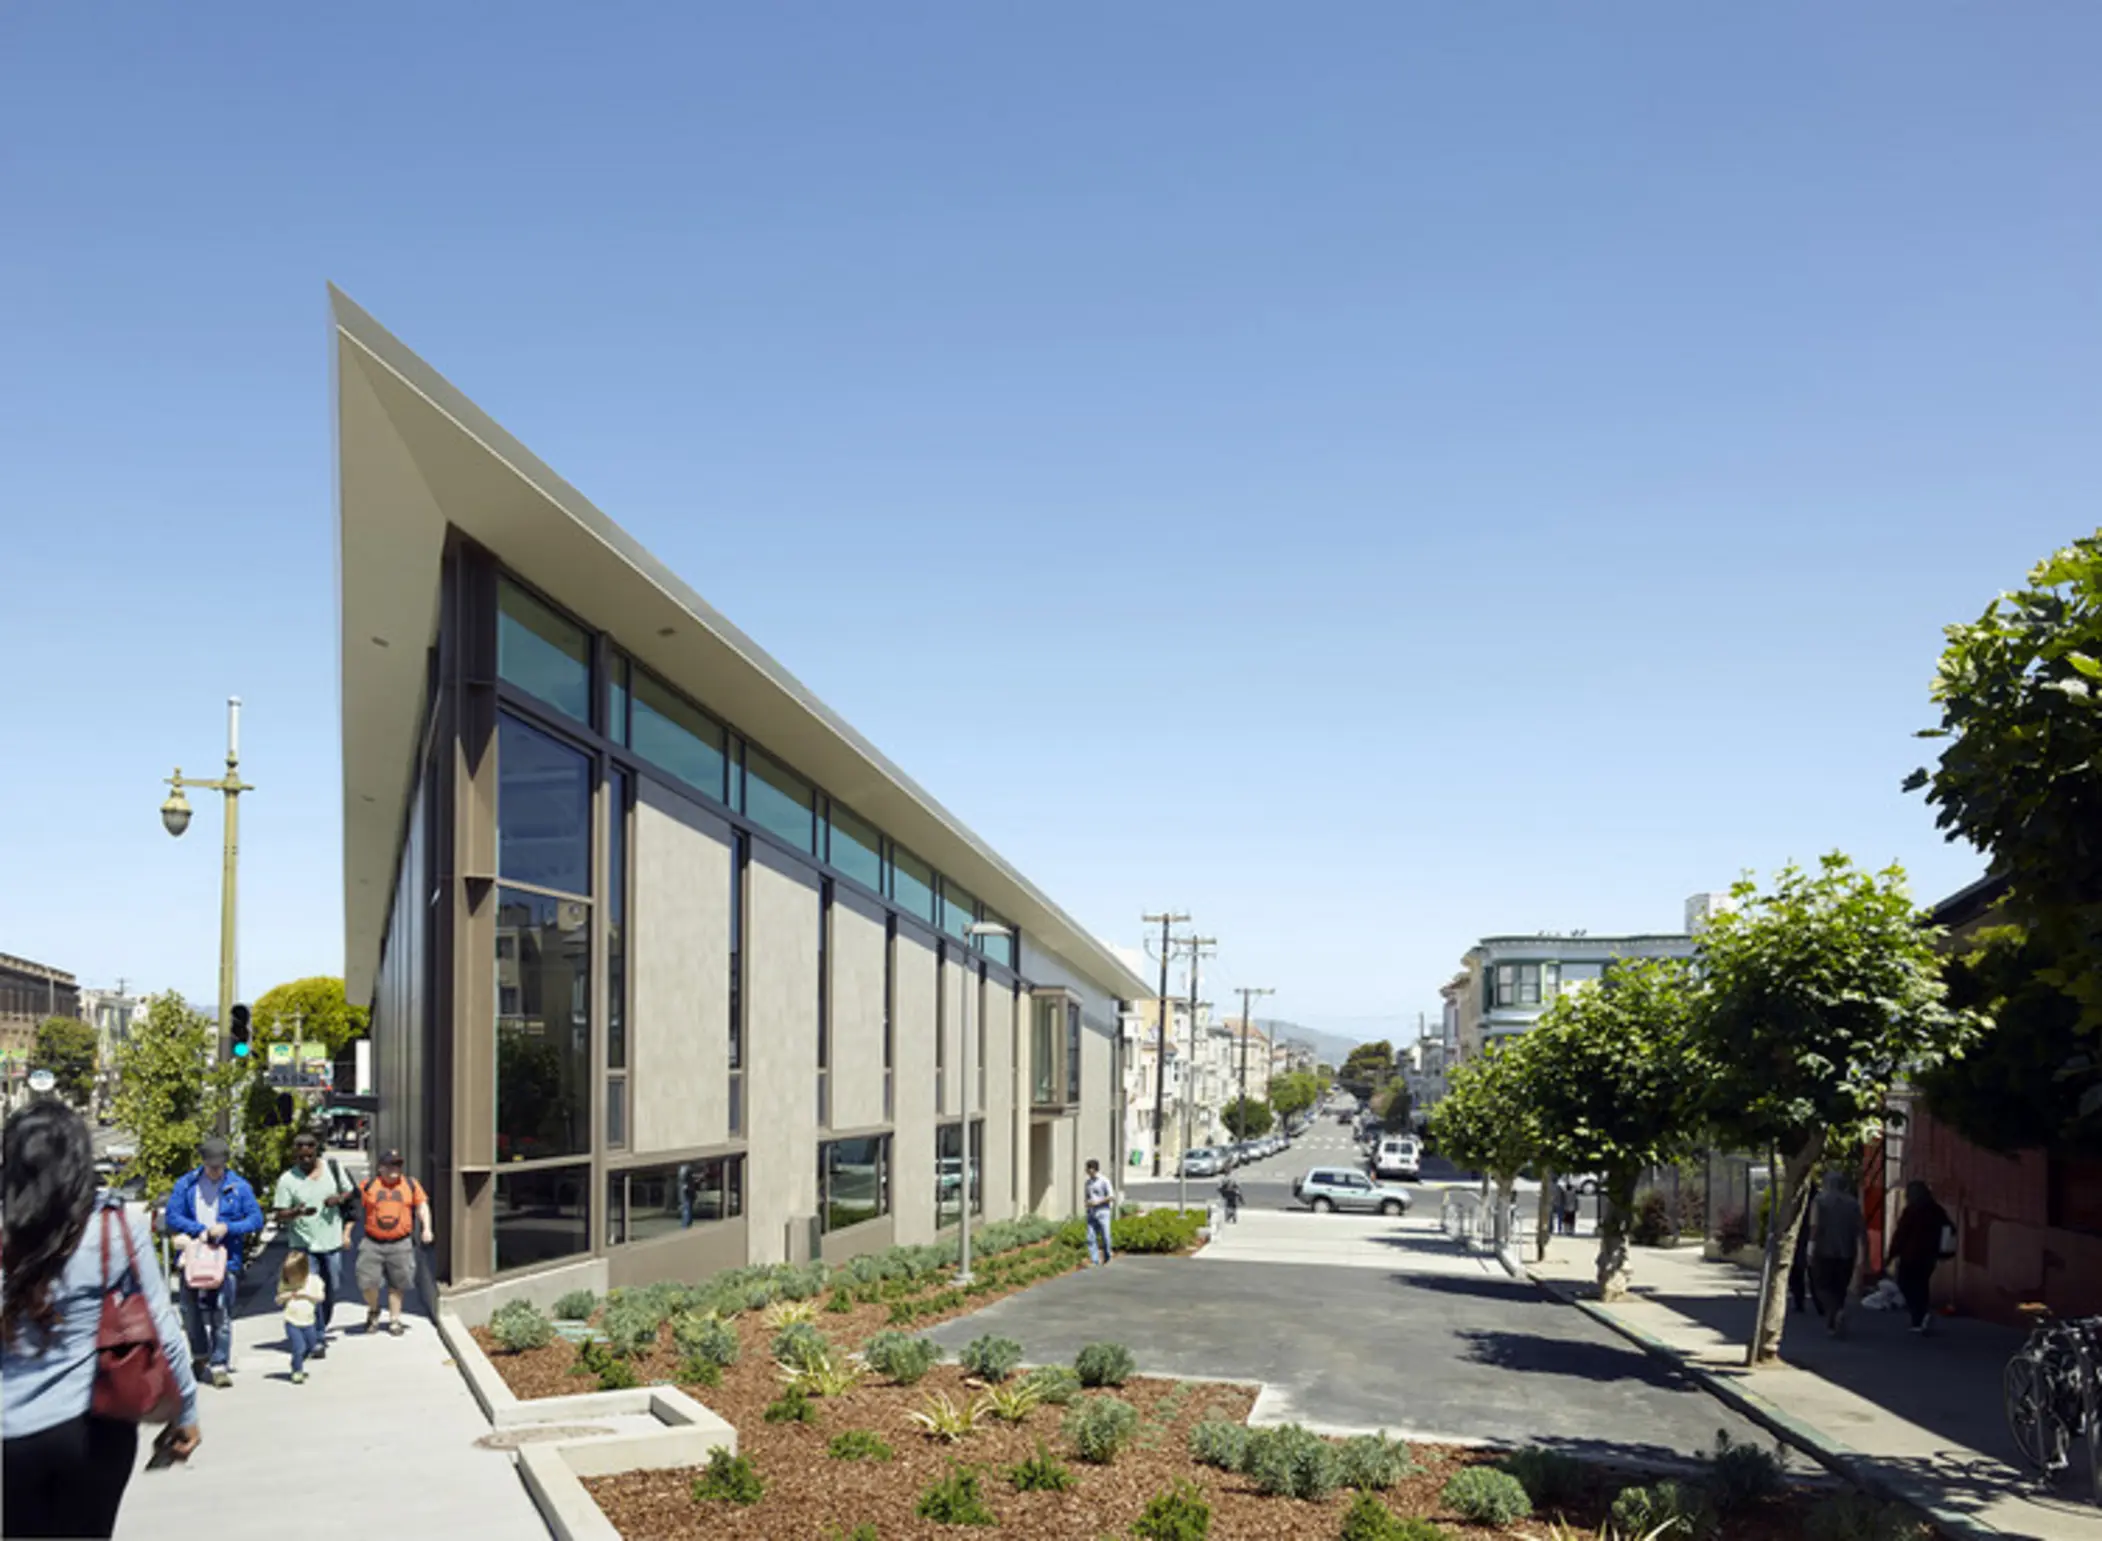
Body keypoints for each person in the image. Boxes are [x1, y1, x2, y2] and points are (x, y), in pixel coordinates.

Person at [3, 1101, 201, 1538]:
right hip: (94, 1427)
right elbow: (162, 1325)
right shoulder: (116, 1226)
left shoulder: (7, 1235)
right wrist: (184, 1409)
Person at [162, 1134, 265, 1388]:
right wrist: (199, 1230)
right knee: (189, 1309)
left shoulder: (238, 1187)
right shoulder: (186, 1185)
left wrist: (227, 1228)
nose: (216, 1171)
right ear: (203, 1163)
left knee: (222, 1314)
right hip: (193, 1258)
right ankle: (200, 1355)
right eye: (211, 1167)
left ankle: (219, 1364)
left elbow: (255, 1219)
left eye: (220, 1167)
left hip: (225, 1260)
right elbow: (172, 1215)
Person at [271, 1130, 358, 1353]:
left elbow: (350, 1192)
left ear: (316, 1151)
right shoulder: (288, 1180)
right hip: (303, 1244)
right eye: (300, 1158)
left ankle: (322, 1323)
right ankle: (318, 1336)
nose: (305, 1161)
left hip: (331, 1241)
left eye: (309, 1156)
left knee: (332, 1286)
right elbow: (278, 1214)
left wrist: (336, 1199)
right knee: (312, 1289)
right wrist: (295, 1213)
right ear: (294, 1156)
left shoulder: (332, 1169)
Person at [356, 1149, 433, 1336]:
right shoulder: (369, 1186)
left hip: (400, 1243)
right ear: (380, 1167)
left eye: (398, 1164)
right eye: (390, 1164)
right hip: (372, 1242)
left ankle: (394, 1319)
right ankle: (373, 1310)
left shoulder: (410, 1184)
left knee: (398, 1283)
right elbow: (351, 1206)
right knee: (367, 1282)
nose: (395, 1169)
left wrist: (427, 1228)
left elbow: (422, 1206)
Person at [1887, 1179, 1953, 1334]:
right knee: (1921, 1285)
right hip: (1929, 1255)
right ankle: (1922, 1315)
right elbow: (1949, 1229)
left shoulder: (1911, 1211)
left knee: (1905, 1283)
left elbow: (1900, 1235)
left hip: (1910, 1255)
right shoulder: (1936, 1210)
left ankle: (1918, 1316)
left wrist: (1891, 1254)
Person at [1807, 1171, 1866, 1336]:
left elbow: (1814, 1226)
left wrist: (1810, 1249)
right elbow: (1861, 1230)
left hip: (1823, 1250)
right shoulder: (1853, 1203)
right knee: (1840, 1287)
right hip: (1847, 1251)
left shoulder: (1820, 1201)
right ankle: (1833, 1322)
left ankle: (1834, 1312)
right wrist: (1863, 1255)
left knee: (1821, 1286)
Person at [276, 1251, 326, 1384]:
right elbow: (278, 1300)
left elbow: (321, 1298)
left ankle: (296, 1361)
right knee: (299, 1347)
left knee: (311, 1347)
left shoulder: (313, 1281)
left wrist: (306, 1295)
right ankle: (297, 1370)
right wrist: (287, 1296)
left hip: (309, 1321)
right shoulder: (286, 1284)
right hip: (292, 1321)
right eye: (288, 1275)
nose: (291, 1279)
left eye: (294, 1275)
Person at [1083, 1159, 1115, 1266]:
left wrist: (1098, 1202)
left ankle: (1107, 1256)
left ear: (1093, 1169)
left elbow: (1111, 1196)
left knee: (1106, 1235)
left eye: (1088, 1168)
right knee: (1090, 1237)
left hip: (1103, 1211)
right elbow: (1087, 1196)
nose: (1087, 1170)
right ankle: (1095, 1260)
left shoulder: (1104, 1181)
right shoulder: (1088, 1183)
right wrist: (1087, 1204)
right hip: (1092, 1212)